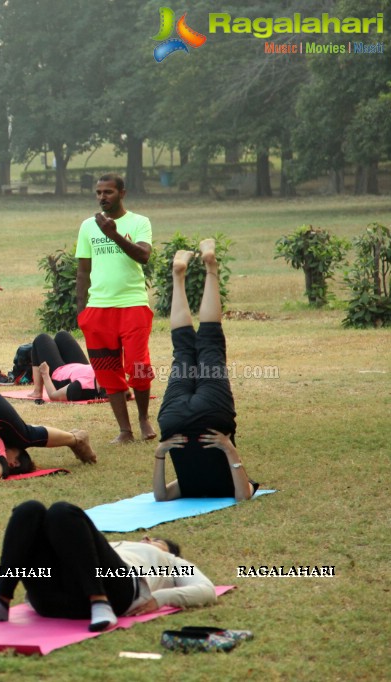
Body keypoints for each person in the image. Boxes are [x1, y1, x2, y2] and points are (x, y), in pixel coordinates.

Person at [0, 500, 217, 631]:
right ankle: (0, 601)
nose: (149, 539)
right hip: (52, 597)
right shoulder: (108, 545)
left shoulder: (170, 561)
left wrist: (160, 598)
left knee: (63, 511)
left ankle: (98, 601)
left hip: (116, 595)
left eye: (157, 541)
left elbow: (206, 590)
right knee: (29, 510)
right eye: (149, 538)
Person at [153, 240, 258, 501]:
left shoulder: (215, 487)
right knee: (183, 349)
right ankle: (178, 276)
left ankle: (211, 267)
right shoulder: (186, 487)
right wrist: (161, 451)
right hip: (174, 421)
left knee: (210, 343)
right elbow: (161, 496)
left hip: (212, 417)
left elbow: (244, 495)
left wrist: (229, 447)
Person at [75, 173, 155, 444]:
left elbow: (143, 256)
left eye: (108, 192)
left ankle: (144, 418)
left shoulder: (139, 222)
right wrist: (82, 312)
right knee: (108, 371)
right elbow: (83, 272)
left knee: (139, 366)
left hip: (133, 305)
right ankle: (125, 430)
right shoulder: (87, 226)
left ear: (122, 193)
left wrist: (114, 234)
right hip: (98, 311)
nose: (102, 197)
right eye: (98, 192)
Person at [27, 331, 106, 402]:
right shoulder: (104, 372)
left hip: (60, 375)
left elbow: (53, 395)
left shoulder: (79, 387)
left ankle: (37, 391)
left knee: (42, 339)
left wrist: (45, 374)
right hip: (80, 368)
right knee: (62, 335)